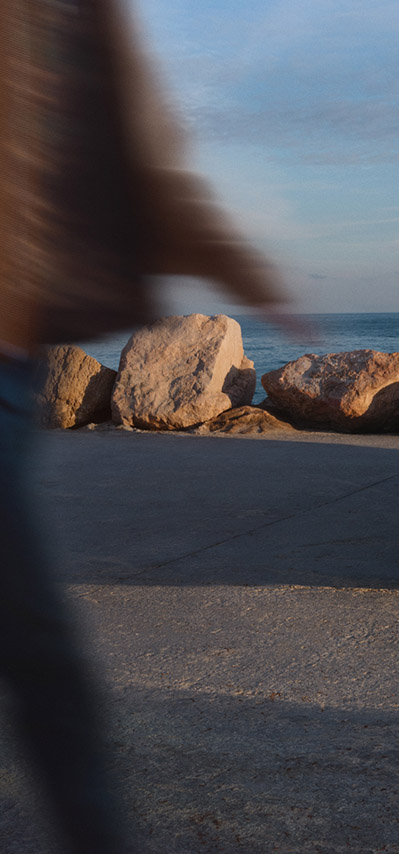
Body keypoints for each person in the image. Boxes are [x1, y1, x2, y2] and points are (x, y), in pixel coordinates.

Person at [1, 0, 287, 850]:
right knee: (45, 664)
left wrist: (239, 268)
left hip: (14, 368)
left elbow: (143, 157)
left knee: (44, 663)